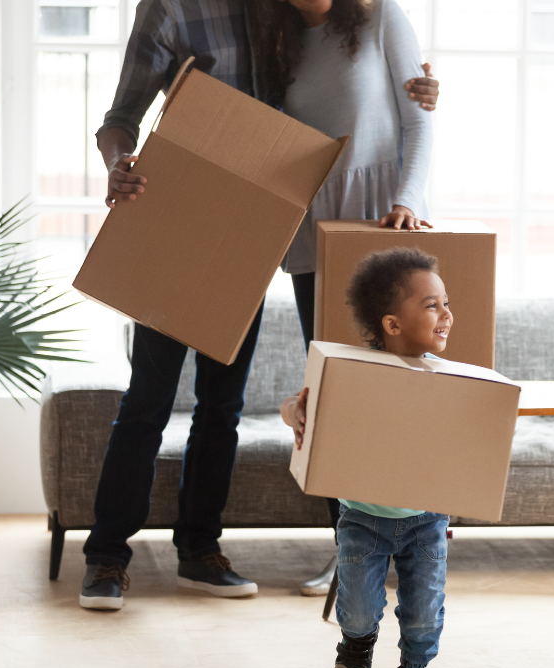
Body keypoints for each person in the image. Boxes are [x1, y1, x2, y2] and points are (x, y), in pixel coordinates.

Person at [79, 0, 440, 612]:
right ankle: (107, 557)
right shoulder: (169, 9)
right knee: (149, 399)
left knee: (222, 406)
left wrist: (422, 88)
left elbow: (352, 88)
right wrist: (118, 164)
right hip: (180, 217)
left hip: (255, 230)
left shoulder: (285, 13)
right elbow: (120, 117)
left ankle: (200, 551)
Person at [248, 0, 434, 596]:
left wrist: (408, 198)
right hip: (312, 232)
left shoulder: (381, 18)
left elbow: (419, 119)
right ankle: (353, 552)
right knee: (333, 395)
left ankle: (412, 550)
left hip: (384, 224)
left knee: (400, 395)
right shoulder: (276, 40)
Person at [281, 247, 451, 668]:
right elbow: (296, 407)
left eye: (447, 303)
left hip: (427, 519)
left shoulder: (449, 381)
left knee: (425, 609)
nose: (447, 314)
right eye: (432, 305)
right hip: (361, 517)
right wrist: (296, 411)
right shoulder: (352, 375)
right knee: (356, 606)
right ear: (392, 325)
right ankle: (357, 642)